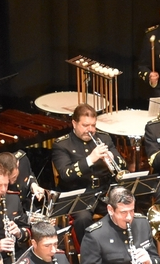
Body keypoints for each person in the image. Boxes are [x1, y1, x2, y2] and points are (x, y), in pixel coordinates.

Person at [51, 103, 128, 242]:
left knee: (123, 210)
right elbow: (65, 174)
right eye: (85, 125)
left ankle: (118, 246)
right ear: (74, 123)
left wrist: (112, 156)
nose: (90, 130)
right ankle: (87, 254)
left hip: (104, 192)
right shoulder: (61, 145)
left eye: (93, 125)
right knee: (82, 219)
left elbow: (122, 165)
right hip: (79, 194)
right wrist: (90, 159)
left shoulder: (104, 138)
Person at [78, 186, 160, 264]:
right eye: (123, 212)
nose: (129, 217)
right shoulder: (94, 235)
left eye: (131, 211)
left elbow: (159, 263)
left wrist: (148, 263)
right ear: (110, 210)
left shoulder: (142, 223)